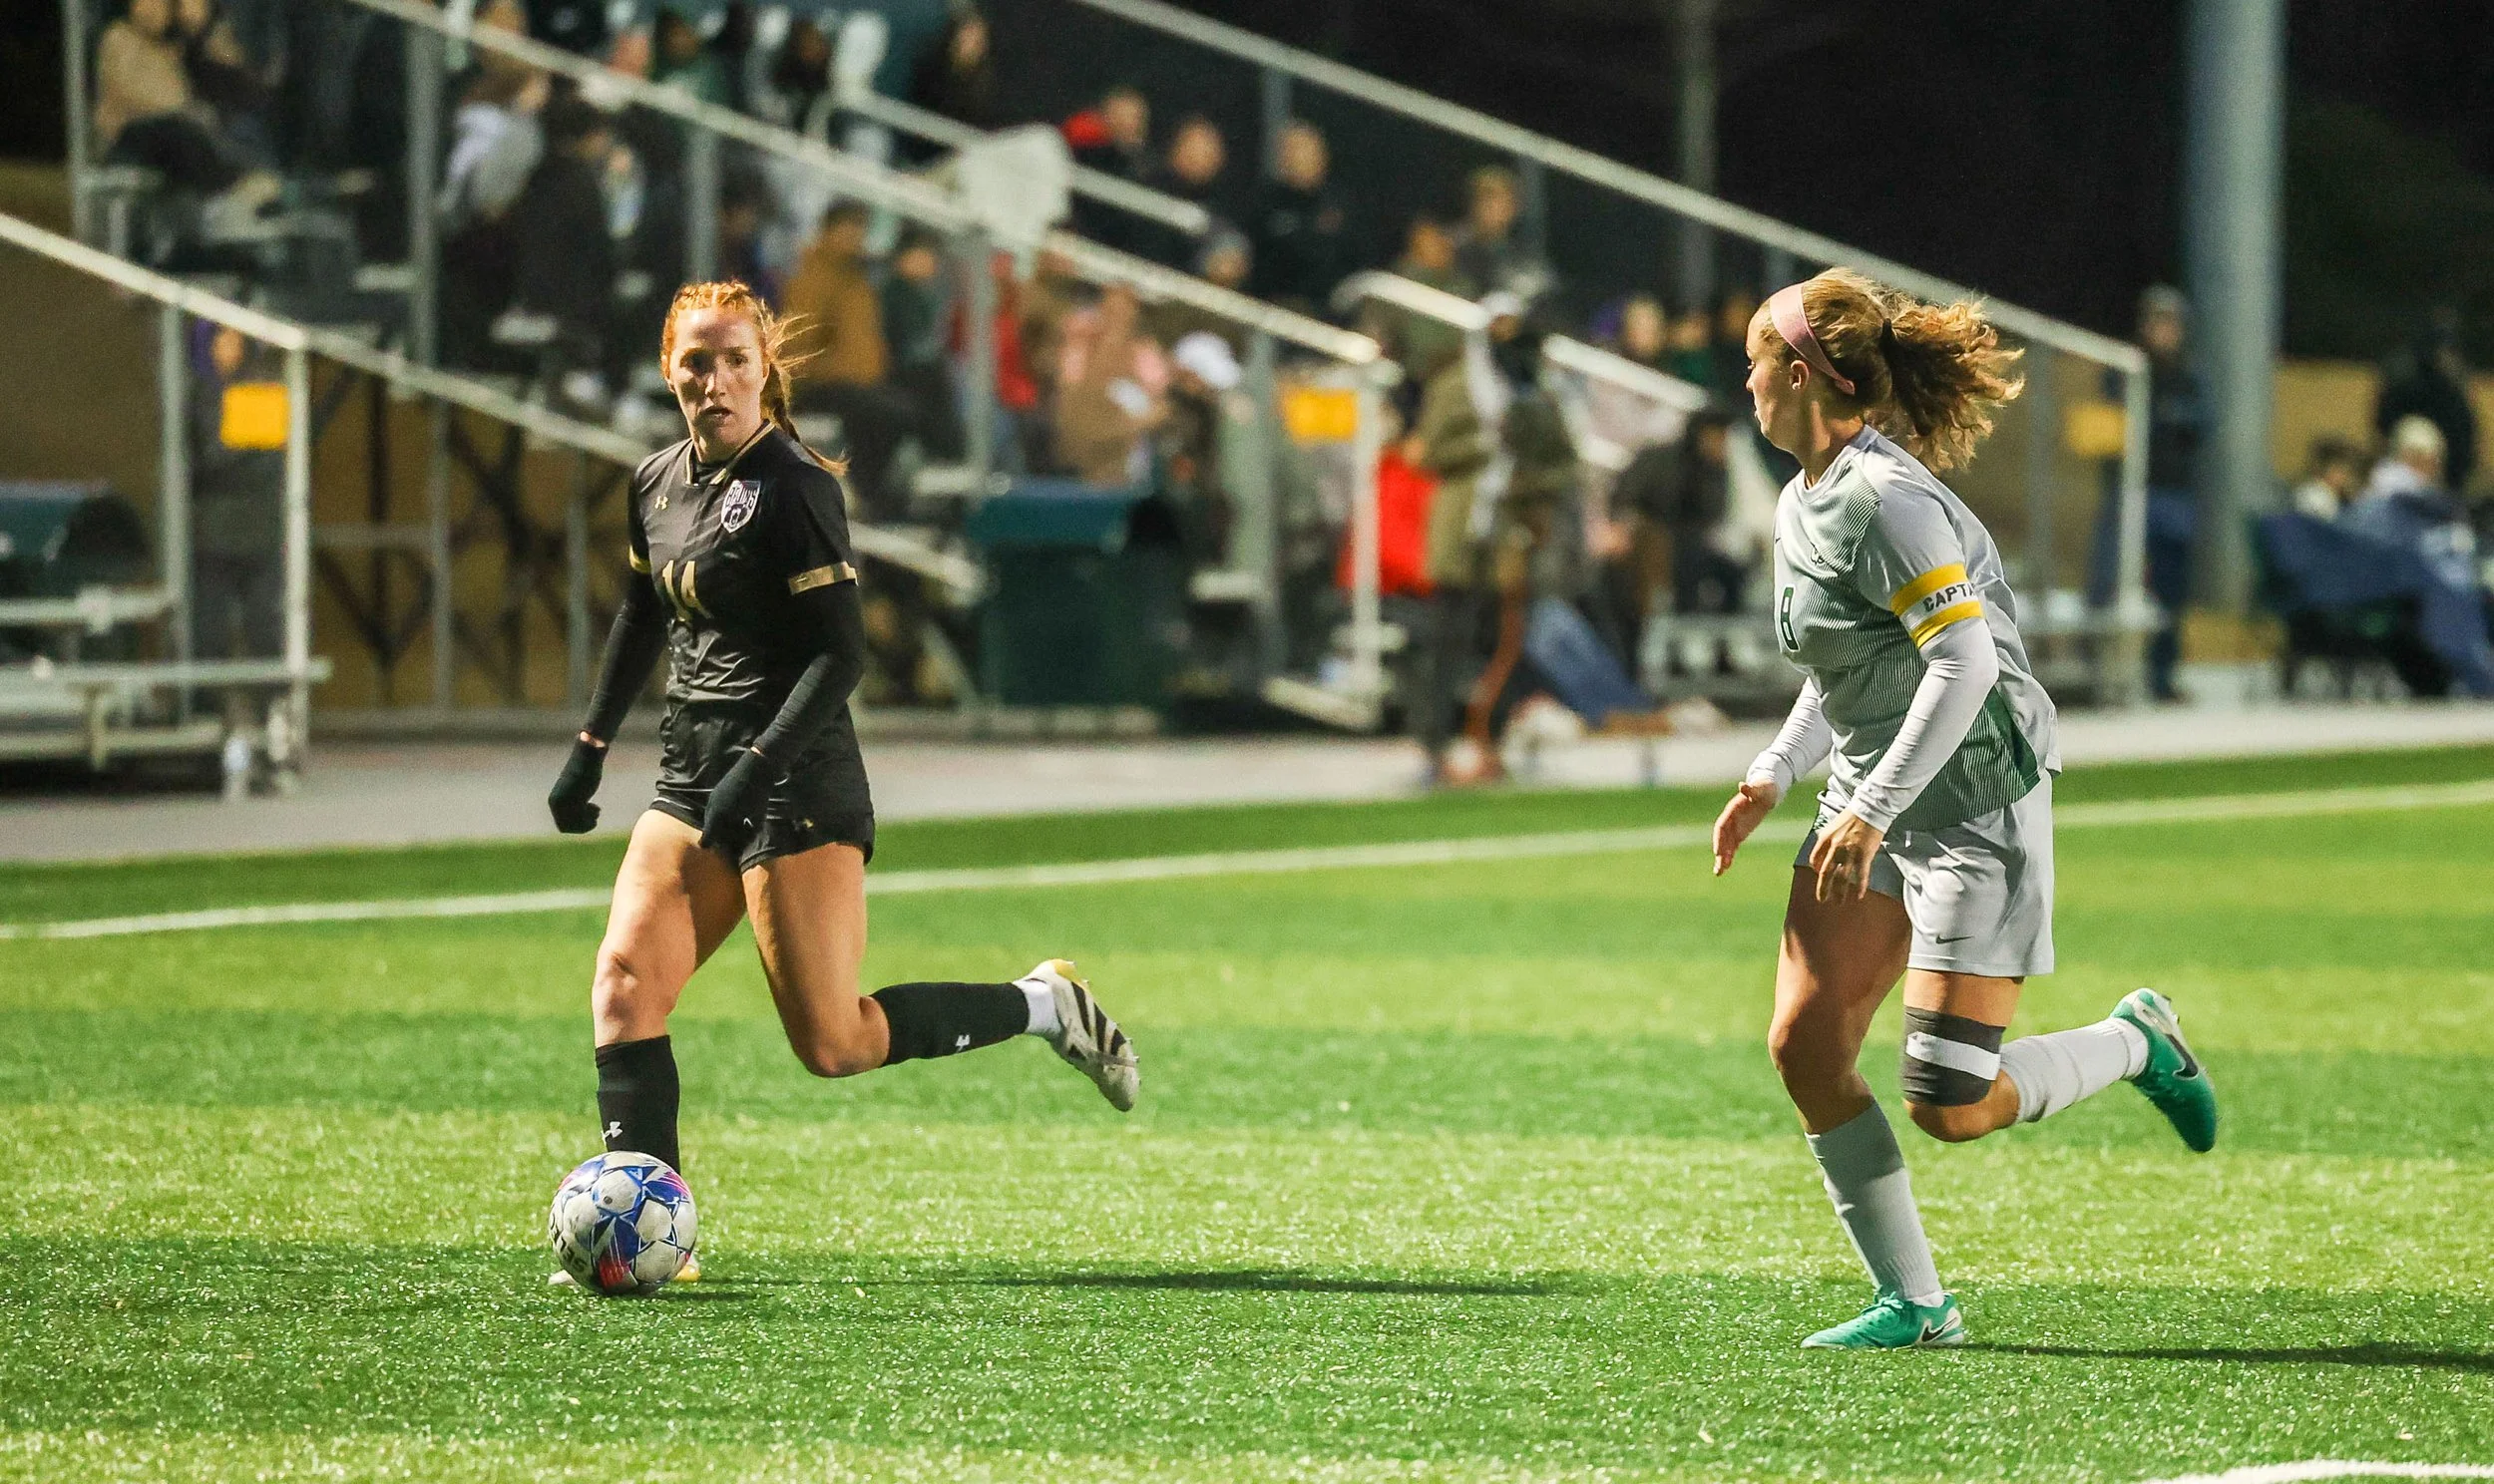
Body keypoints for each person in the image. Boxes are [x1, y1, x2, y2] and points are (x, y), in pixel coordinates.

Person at [543, 281, 1139, 1286]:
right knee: (623, 988)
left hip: (795, 778)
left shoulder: (795, 487)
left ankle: (1046, 1006)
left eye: (735, 359)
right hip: (693, 776)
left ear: (762, 370)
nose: (715, 379)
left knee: (835, 1041)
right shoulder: (655, 481)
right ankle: (658, 1243)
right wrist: (592, 743)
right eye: (696, 361)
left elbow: (840, 656)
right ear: (669, 371)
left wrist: (758, 771)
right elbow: (644, 611)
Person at [1710, 268, 2218, 1350]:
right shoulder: (1804, 495)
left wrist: (1876, 808)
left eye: (1753, 358)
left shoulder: (1883, 499)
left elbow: (1964, 661)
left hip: (1971, 804)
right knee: (1805, 1048)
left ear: (1797, 374)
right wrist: (1773, 770)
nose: (1742, 378)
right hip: (1874, 799)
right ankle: (1917, 1303)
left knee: (1952, 1101)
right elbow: (1848, 666)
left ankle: (2136, 1042)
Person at [1247, 121, 1354, 316]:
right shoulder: (1266, 201)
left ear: (1322, 156)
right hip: (1270, 306)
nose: (1297, 158)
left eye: (1305, 150)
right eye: (1290, 151)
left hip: (1330, 311)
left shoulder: (1340, 205)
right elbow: (1271, 258)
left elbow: (1343, 259)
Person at [2375, 312, 2477, 499]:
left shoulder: (2454, 390)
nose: (2447, 358)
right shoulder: (2405, 383)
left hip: (2447, 481)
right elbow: (2384, 425)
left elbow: (2464, 438)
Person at [2288, 435, 2365, 522]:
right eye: (2343, 471)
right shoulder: (2317, 499)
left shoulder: (2318, 493)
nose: (2347, 478)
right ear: (2328, 470)